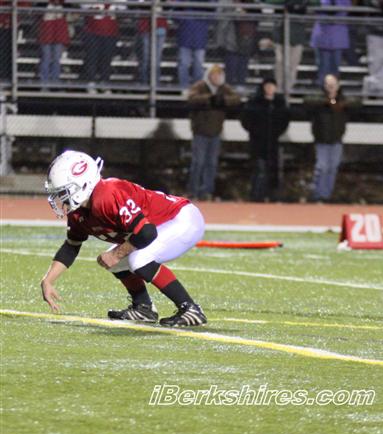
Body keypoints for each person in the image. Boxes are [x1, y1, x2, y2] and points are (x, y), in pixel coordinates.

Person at [40, 150, 207, 327]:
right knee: (116, 262)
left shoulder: (107, 195)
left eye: (63, 192)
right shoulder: (78, 213)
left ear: (82, 184)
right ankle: (143, 308)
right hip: (159, 226)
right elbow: (71, 246)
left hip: (181, 219)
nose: (60, 198)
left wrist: (116, 254)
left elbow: (146, 233)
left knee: (136, 259)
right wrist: (48, 280)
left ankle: (190, 309)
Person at [187, 64, 241, 199]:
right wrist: (209, 99)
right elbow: (191, 98)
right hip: (200, 131)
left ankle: (207, 191)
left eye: (219, 75)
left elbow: (236, 99)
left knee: (212, 163)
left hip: (216, 132)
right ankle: (193, 191)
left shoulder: (224, 88)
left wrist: (223, 100)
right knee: (198, 162)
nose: (216, 78)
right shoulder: (200, 86)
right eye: (214, 75)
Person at [305, 74, 359, 201]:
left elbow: (357, 103)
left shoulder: (342, 99)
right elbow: (307, 101)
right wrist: (328, 101)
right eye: (328, 84)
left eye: (333, 84)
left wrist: (339, 103)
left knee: (333, 168)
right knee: (322, 167)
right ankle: (317, 194)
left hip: (336, 140)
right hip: (321, 140)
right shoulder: (319, 98)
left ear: (338, 85)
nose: (330, 87)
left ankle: (326, 194)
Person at [241, 77, 291, 201]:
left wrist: (276, 132)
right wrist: (255, 131)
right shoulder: (254, 102)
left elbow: (285, 120)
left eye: (272, 86)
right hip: (257, 142)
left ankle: (272, 195)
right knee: (259, 168)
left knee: (273, 169)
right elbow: (245, 119)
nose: (269, 88)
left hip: (273, 142)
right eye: (267, 86)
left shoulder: (279, 102)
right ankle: (256, 195)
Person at [310, 0, 351, 85]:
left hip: (337, 36)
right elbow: (318, 10)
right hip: (322, 35)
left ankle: (333, 90)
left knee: (335, 67)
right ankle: (322, 87)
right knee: (323, 66)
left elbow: (342, 12)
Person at [176, 0, 211, 89]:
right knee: (184, 63)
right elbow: (175, 10)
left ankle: (197, 89)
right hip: (185, 34)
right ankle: (184, 88)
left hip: (200, 34)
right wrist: (182, 19)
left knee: (198, 64)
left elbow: (212, 10)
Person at [38, 0, 70, 86]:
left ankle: (55, 81)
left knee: (56, 58)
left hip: (59, 33)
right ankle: (44, 82)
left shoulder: (64, 5)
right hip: (46, 34)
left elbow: (72, 10)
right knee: (46, 57)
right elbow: (38, 12)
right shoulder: (43, 4)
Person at [136, 1, 168, 85]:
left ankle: (155, 83)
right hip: (146, 27)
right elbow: (140, 5)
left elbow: (168, 6)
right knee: (145, 57)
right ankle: (144, 82)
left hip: (160, 28)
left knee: (156, 59)